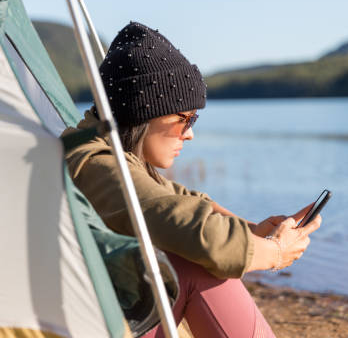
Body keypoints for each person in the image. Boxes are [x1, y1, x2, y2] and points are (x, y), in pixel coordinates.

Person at [64, 22, 322, 337]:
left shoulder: (98, 150)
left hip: (97, 314)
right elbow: (196, 230)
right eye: (184, 119)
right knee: (194, 265)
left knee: (192, 255)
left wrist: (251, 230)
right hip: (89, 323)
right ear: (144, 112)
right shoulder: (92, 163)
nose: (190, 134)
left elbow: (178, 199)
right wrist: (276, 253)